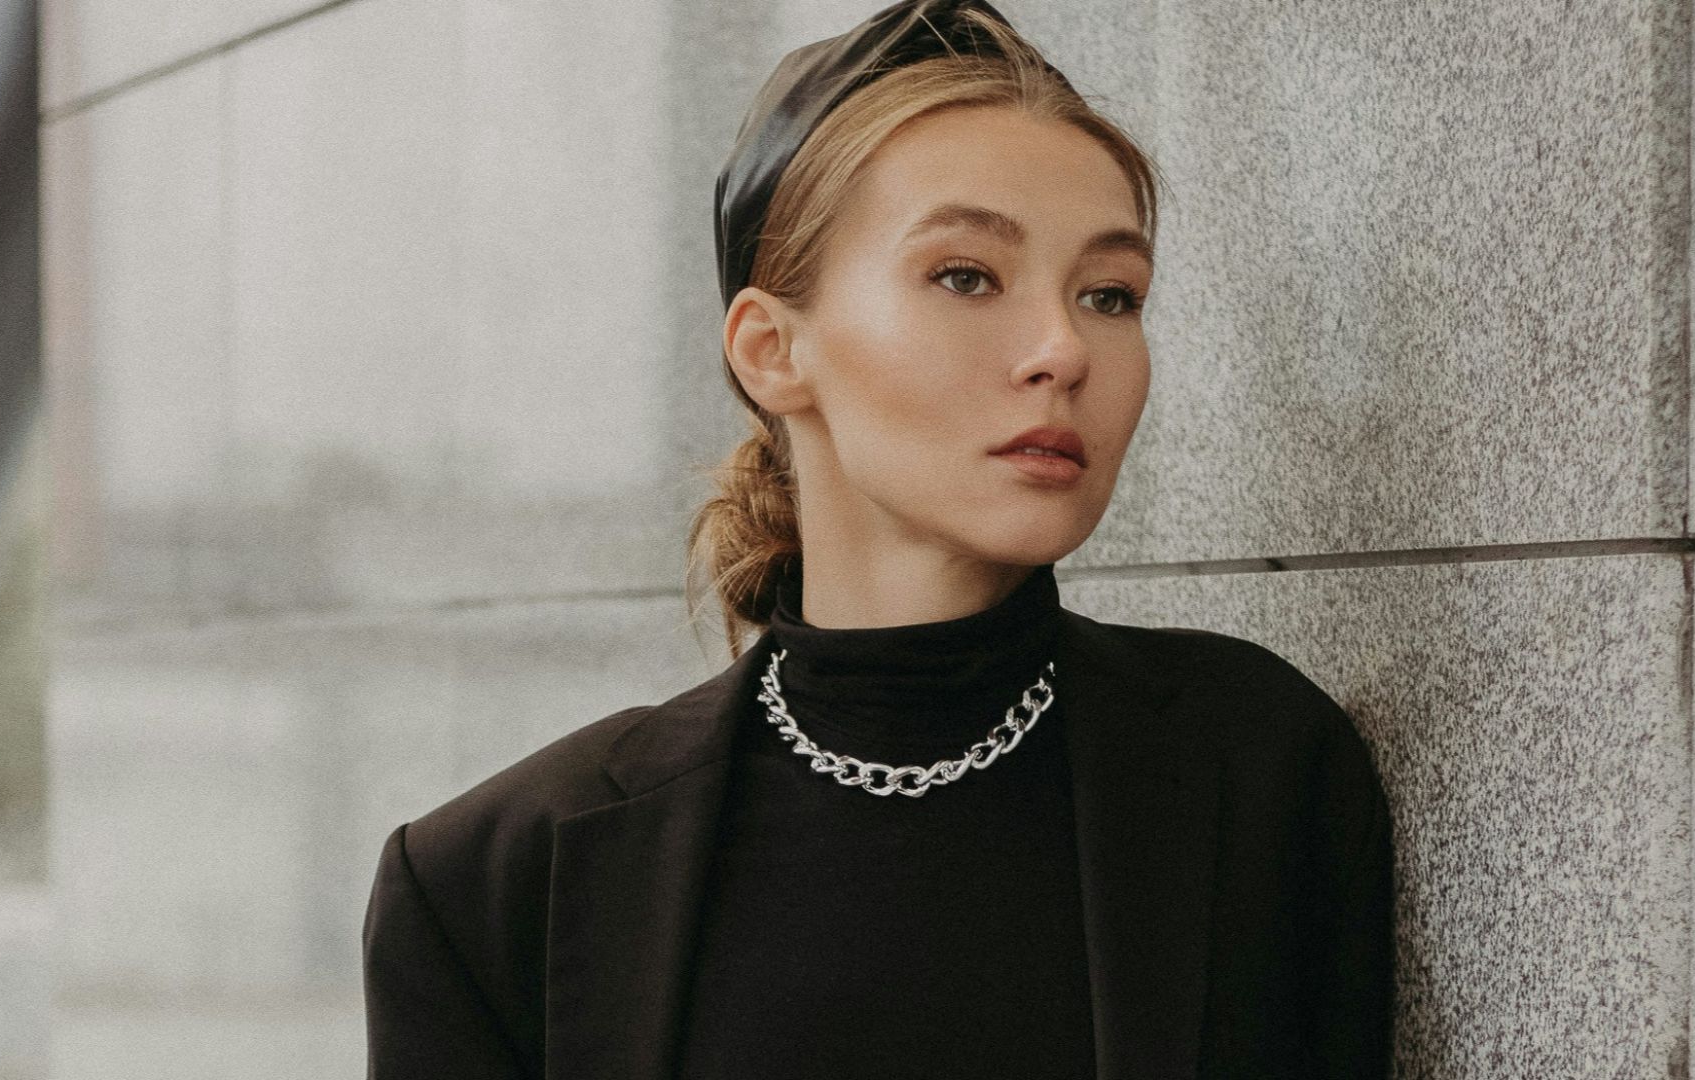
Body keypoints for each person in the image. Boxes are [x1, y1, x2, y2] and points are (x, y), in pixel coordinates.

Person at [361, 2, 1396, 1078]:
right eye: (966, 276)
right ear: (772, 349)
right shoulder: (491, 884)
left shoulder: (1260, 769)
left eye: (1109, 294)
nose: (1062, 350)